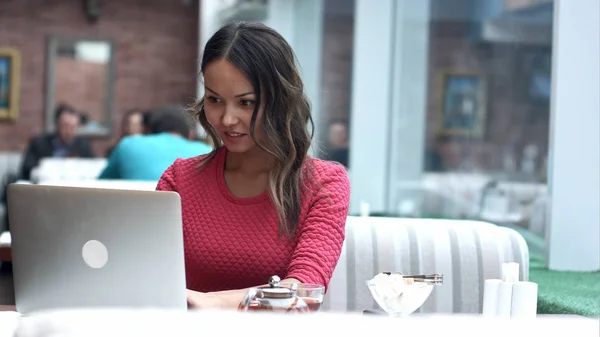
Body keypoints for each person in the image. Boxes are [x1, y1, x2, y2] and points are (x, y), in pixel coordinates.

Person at [156, 22, 351, 310]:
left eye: (246, 103)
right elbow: (148, 275)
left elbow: (305, 291)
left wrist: (212, 302)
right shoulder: (179, 178)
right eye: (214, 99)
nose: (227, 119)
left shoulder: (323, 183)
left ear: (280, 102)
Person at [98, 105, 212, 181]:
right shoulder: (207, 152)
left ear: (150, 132)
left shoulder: (128, 145)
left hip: (138, 215)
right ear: (190, 135)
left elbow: (101, 185)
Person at [19, 104, 95, 180]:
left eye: (73, 127)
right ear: (57, 125)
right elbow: (27, 170)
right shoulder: (40, 143)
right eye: (66, 126)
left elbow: (92, 170)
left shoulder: (83, 146)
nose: (69, 131)